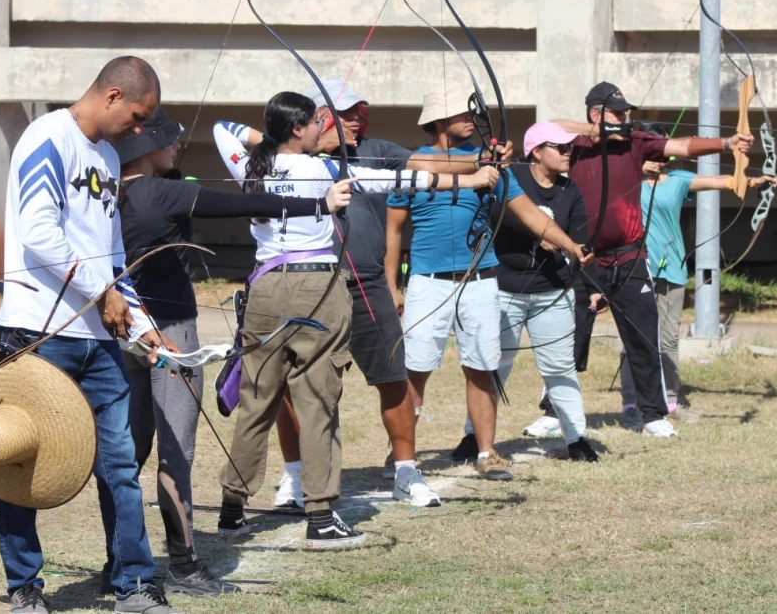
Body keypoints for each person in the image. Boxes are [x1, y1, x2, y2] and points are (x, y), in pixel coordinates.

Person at [211, 92, 498, 548]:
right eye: (313, 123)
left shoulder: (251, 166)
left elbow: (222, 129)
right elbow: (405, 179)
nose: (321, 128)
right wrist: (472, 180)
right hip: (315, 288)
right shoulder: (325, 170)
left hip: (264, 288)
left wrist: (272, 139)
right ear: (299, 128)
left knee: (257, 400)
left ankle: (231, 510)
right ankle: (321, 517)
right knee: (316, 400)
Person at [108, 106, 352, 597]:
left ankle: (119, 561)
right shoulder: (167, 192)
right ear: (146, 148)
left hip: (124, 331)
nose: (177, 146)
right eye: (170, 141)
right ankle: (183, 564)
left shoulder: (111, 193)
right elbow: (246, 204)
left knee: (128, 451)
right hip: (170, 335)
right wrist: (320, 203)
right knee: (175, 453)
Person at [0, 56, 182, 614]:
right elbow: (38, 233)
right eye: (138, 116)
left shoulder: (107, 157)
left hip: (98, 341)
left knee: (119, 464)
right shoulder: (46, 138)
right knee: (21, 459)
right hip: (37, 332)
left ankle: (133, 585)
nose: (140, 130)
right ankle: (24, 586)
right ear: (113, 95)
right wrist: (102, 292)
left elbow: (113, 258)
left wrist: (144, 326)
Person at [386, 83, 593, 481]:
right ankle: (401, 455)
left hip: (480, 280)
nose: (472, 121)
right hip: (428, 281)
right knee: (417, 368)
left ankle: (487, 453)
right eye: (462, 115)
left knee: (482, 367)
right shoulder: (417, 163)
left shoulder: (490, 166)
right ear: (440, 120)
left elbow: (530, 214)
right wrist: (392, 285)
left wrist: (571, 245)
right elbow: (394, 232)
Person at [554, 81, 754, 438]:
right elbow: (551, 127)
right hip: (583, 257)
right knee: (570, 336)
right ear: (595, 113)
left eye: (625, 113)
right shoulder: (576, 143)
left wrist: (727, 143)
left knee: (643, 336)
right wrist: (599, 132)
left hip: (630, 256)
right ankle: (554, 412)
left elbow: (681, 146)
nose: (624, 118)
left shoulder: (637, 142)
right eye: (616, 113)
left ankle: (652, 414)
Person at [617, 122, 777, 423]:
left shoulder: (677, 179)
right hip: (635, 268)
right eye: (654, 149)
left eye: (664, 149)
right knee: (635, 336)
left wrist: (755, 180)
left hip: (671, 267)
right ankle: (631, 403)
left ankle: (670, 401)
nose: (662, 155)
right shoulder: (624, 178)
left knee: (668, 338)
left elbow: (722, 181)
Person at [487, 122, 598, 461]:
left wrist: (589, 273)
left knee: (559, 367)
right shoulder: (511, 177)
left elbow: (580, 239)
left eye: (570, 148)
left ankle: (576, 438)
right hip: (504, 287)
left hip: (552, 291)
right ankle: (474, 437)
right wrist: (539, 233)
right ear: (536, 151)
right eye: (560, 148)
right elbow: (498, 211)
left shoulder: (571, 190)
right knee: (495, 363)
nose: (568, 153)